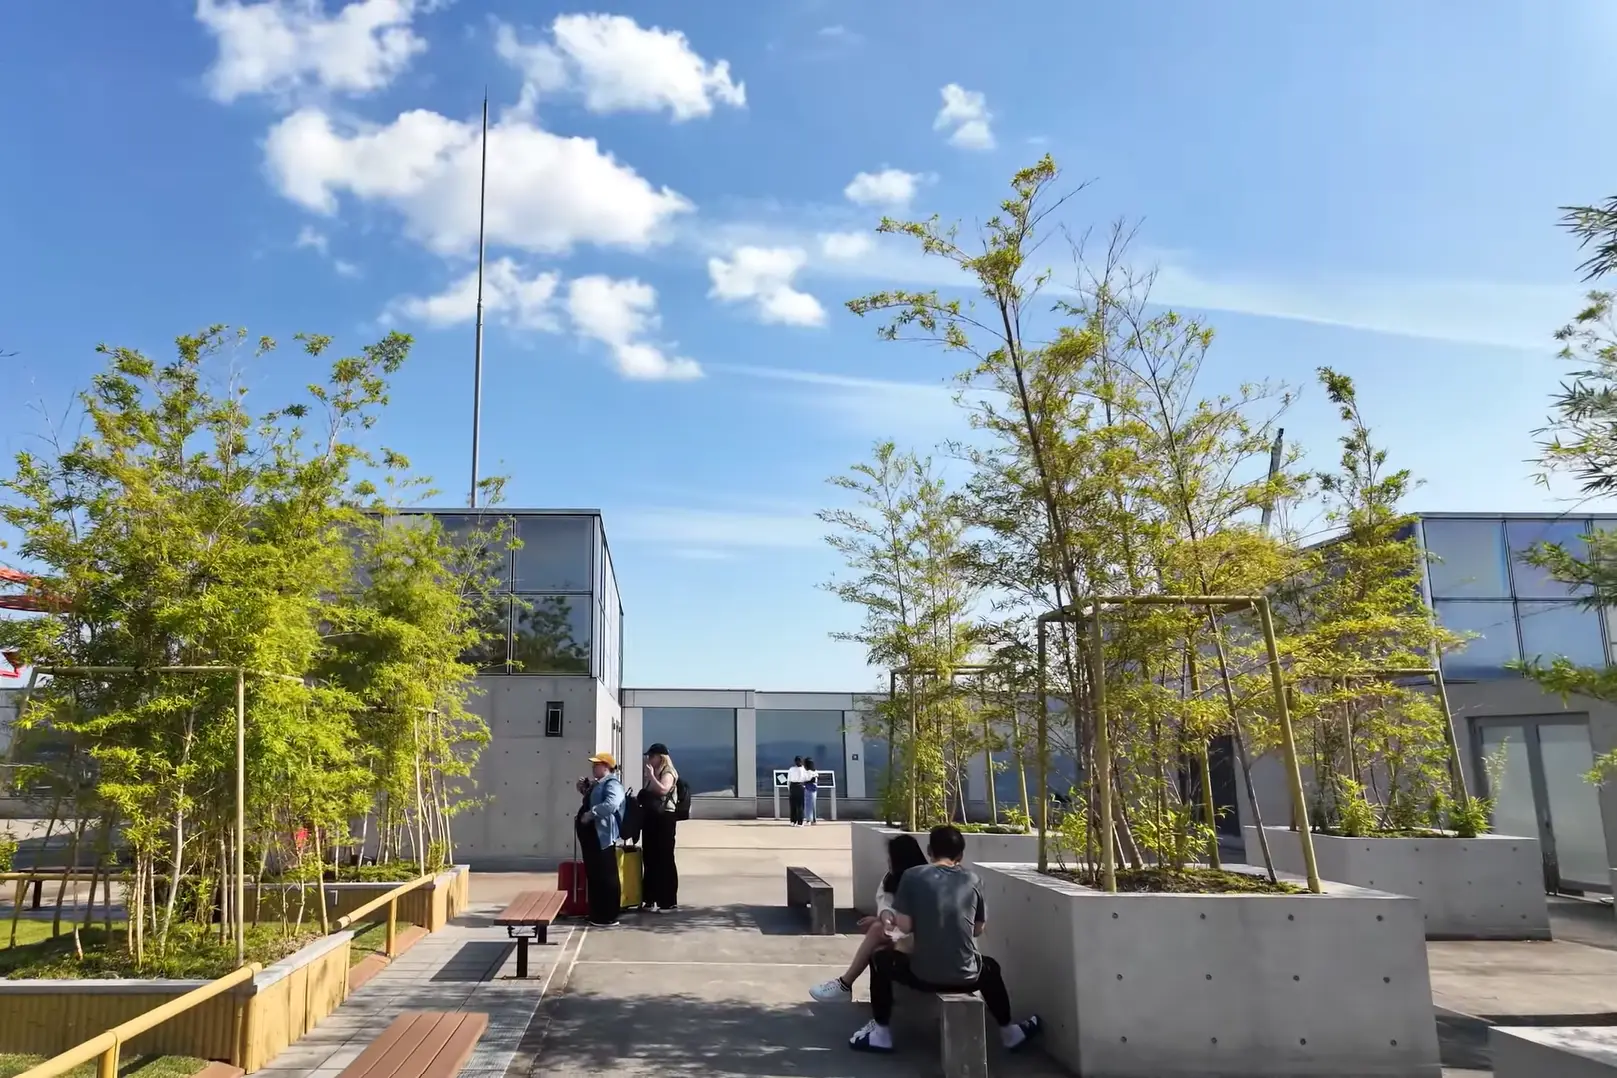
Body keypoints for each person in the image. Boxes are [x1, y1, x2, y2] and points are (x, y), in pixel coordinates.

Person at [848, 824, 1043, 1056]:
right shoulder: (973, 879)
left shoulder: (912, 876)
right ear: (961, 855)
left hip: (923, 975)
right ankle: (1009, 1032)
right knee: (990, 968)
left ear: (929, 851)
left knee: (879, 959)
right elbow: (978, 929)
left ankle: (881, 1032)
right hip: (968, 976)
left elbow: (905, 926)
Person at [810, 834, 927, 1002]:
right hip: (906, 935)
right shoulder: (891, 878)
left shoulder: (923, 881)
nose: (888, 861)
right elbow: (886, 905)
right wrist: (885, 918)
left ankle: (845, 984)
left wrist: (884, 923)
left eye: (890, 858)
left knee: (877, 932)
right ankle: (878, 1013)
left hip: (923, 941)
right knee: (877, 949)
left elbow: (915, 920)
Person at [574, 751, 625, 927]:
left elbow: (611, 804)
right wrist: (584, 789)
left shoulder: (612, 784)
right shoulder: (598, 784)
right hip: (591, 836)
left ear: (606, 767)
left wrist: (591, 814)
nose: (593, 768)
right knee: (594, 874)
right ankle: (596, 912)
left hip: (602, 836)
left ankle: (608, 914)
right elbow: (591, 799)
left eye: (596, 765)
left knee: (605, 875)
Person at [639, 742, 680, 913]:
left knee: (664, 858)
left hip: (664, 818)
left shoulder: (668, 772)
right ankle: (649, 898)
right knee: (649, 857)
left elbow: (664, 789)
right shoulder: (653, 774)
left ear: (661, 758)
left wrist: (651, 777)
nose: (649, 759)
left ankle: (668, 900)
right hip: (651, 818)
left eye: (652, 756)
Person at [787, 755, 806, 826]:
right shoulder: (804, 769)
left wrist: (789, 789)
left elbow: (788, 780)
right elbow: (805, 779)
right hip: (800, 786)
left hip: (793, 786)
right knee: (800, 805)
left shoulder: (791, 769)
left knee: (793, 805)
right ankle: (800, 822)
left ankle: (793, 821)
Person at [802, 757, 819, 825]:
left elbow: (806, 780)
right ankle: (813, 819)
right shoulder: (814, 771)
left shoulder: (808, 771)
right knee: (812, 804)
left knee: (808, 805)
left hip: (809, 788)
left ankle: (809, 820)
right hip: (813, 789)